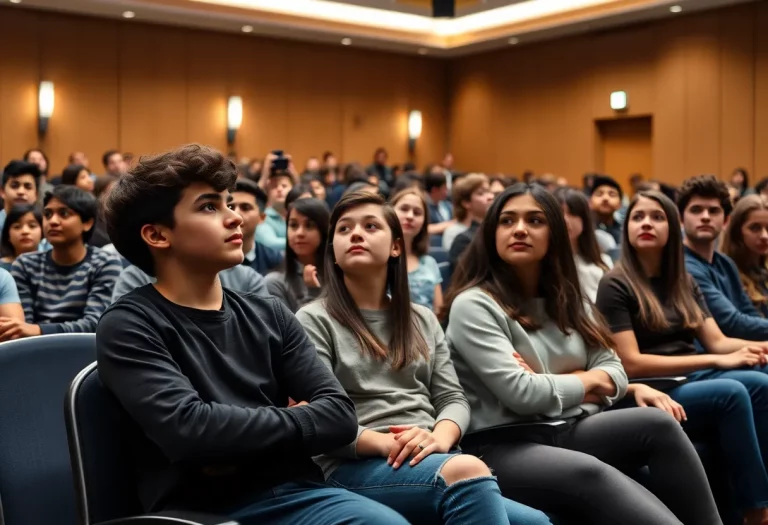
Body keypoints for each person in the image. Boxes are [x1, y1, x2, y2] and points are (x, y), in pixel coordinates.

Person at [97, 144, 410, 525]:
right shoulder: (130, 323)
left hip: (302, 492)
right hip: (206, 510)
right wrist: (295, 419)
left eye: (230, 205)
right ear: (158, 235)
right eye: (209, 207)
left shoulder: (269, 312)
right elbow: (191, 431)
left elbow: (341, 416)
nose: (234, 219)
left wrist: (233, 438)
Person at [443, 183, 720, 525]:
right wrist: (588, 381)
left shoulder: (570, 300)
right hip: (503, 444)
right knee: (591, 472)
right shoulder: (474, 304)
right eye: (507, 221)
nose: (519, 229)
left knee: (658, 424)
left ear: (554, 235)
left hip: (566, 426)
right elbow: (523, 395)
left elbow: (616, 373)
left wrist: (560, 384)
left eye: (535, 220)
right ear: (492, 233)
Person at [296, 190, 551, 525]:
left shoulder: (422, 318)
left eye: (371, 226)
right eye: (344, 230)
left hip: (430, 454)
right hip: (351, 463)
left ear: (396, 247)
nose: (355, 234)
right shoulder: (313, 319)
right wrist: (385, 443)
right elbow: (314, 416)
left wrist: (439, 437)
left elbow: (452, 398)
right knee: (468, 473)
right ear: (334, 252)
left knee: (537, 522)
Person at [595, 190, 768, 525]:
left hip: (690, 376)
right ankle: (756, 511)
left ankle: (757, 497)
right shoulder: (615, 282)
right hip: (651, 385)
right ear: (627, 228)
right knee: (731, 393)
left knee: (761, 378)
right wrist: (715, 361)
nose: (647, 223)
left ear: (672, 228)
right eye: (638, 216)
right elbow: (631, 362)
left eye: (657, 217)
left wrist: (758, 350)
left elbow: (717, 341)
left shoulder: (683, 280)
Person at [9, 185, 121, 339]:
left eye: (64, 213)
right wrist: (34, 330)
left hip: (84, 352)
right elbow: (22, 327)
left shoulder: (104, 262)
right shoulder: (25, 264)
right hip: (33, 350)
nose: (53, 221)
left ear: (87, 223)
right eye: (47, 214)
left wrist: (39, 330)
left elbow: (96, 323)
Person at [679, 175, 768, 340]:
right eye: (696, 210)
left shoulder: (726, 263)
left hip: (739, 351)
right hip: (707, 358)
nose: (705, 216)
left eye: (714, 211)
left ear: (726, 220)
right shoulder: (683, 266)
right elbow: (731, 323)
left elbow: (748, 312)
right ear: (681, 220)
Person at [265, 198, 328, 313]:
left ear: (323, 230)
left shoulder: (340, 274)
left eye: (309, 226)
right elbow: (289, 329)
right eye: (293, 225)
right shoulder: (275, 282)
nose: (299, 233)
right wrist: (312, 292)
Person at [554, 187, 612, 302]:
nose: (565, 219)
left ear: (584, 219)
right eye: (560, 213)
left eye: (572, 213)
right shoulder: (543, 264)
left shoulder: (603, 263)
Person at [391, 188, 443, 312]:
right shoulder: (377, 260)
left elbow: (438, 310)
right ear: (390, 213)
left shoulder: (429, 262)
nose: (410, 216)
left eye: (417, 212)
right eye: (404, 209)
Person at [722, 195, 768, 317]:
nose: (764, 236)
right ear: (737, 231)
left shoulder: (763, 270)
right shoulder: (727, 276)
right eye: (755, 228)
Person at [231, 179, 283, 276]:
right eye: (230, 207)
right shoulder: (209, 257)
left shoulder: (274, 259)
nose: (236, 214)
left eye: (245, 208)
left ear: (262, 218)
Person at [443, 173, 491, 252]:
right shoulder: (454, 233)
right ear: (466, 203)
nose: (490, 197)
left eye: (489, 192)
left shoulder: (493, 229)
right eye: (481, 193)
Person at [256, 154, 296, 251]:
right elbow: (271, 243)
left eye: (284, 186)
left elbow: (305, 195)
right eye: (274, 186)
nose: (279, 189)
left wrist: (294, 173)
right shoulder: (263, 217)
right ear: (268, 193)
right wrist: (264, 176)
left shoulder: (297, 215)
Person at [0, 160, 40, 232]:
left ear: (36, 195)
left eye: (28, 187)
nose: (21, 192)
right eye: (14, 186)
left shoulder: (45, 229)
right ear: (2, 192)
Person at [0, 205, 43, 271]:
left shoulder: (50, 266)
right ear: (8, 235)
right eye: (17, 227)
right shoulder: (2, 269)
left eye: (32, 226)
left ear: (42, 232)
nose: (25, 231)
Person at [589, 175, 623, 245]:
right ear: (590, 202)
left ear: (620, 204)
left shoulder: (625, 230)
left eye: (612, 194)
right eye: (599, 194)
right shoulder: (582, 229)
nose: (605, 198)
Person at [424, 170, 454, 237]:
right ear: (434, 190)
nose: (447, 192)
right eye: (445, 188)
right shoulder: (423, 206)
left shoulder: (448, 205)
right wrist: (450, 224)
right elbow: (423, 230)